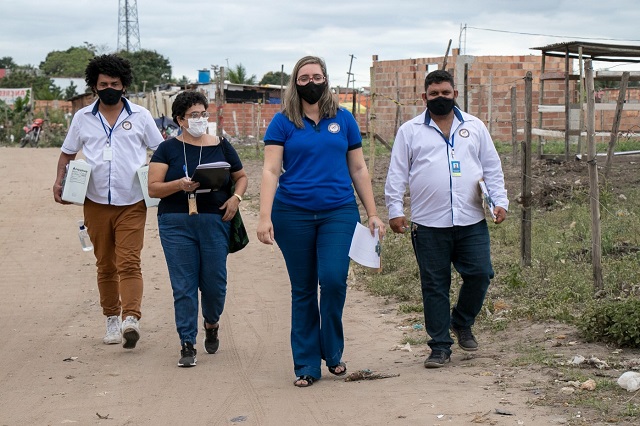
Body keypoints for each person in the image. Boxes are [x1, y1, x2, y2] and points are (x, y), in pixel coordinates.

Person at [256, 56, 386, 387]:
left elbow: (358, 168)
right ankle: (307, 365)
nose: (310, 82)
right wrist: (264, 216)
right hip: (292, 214)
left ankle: (332, 350)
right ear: (295, 84)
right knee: (303, 289)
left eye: (316, 76)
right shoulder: (283, 122)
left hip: (338, 212)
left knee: (332, 280)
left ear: (326, 79)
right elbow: (271, 170)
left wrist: (372, 212)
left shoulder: (343, 120)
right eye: (303, 77)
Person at [384, 69, 508, 368]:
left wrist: (500, 201)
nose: (441, 98)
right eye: (434, 94)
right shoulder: (410, 131)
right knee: (435, 285)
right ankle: (440, 346)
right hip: (428, 224)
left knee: (481, 274)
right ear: (424, 97)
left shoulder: (475, 127)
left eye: (446, 93)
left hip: (471, 220)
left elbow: (491, 167)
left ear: (455, 94)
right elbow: (397, 173)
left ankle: (462, 321)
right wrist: (395, 210)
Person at [53, 54, 164, 349]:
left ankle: (131, 318)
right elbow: (67, 153)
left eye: (115, 83)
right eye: (103, 84)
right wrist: (59, 180)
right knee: (105, 264)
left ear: (124, 85)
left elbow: (162, 152)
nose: (109, 88)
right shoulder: (82, 118)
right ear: (94, 86)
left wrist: (164, 184)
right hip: (95, 201)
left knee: (129, 261)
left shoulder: (140, 116)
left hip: (132, 201)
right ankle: (111, 318)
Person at [148, 91, 247, 368]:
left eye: (204, 114)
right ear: (180, 119)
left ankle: (212, 323)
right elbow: (153, 188)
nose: (200, 119)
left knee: (215, 284)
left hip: (215, 221)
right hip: (176, 222)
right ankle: (187, 342)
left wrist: (235, 198)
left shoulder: (222, 146)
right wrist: (179, 185)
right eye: (194, 115)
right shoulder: (166, 149)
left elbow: (241, 177)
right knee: (184, 285)